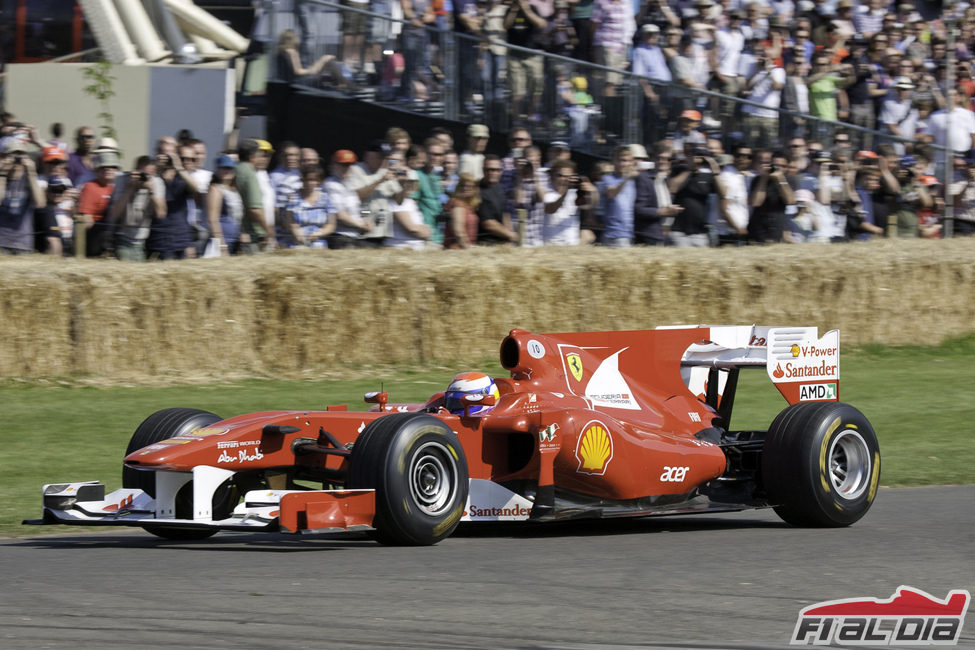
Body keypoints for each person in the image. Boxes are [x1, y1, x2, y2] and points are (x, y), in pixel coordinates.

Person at [109, 155, 167, 262]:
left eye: (148, 175)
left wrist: (151, 191)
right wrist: (131, 187)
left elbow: (161, 213)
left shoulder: (156, 182)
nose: (144, 178)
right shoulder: (122, 180)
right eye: (142, 174)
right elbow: (115, 213)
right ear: (136, 170)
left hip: (141, 242)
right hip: (122, 238)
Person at [668, 146, 726, 247]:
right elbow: (673, 188)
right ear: (688, 156)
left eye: (702, 156)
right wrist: (690, 169)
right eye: (695, 155)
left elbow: (724, 194)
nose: (698, 158)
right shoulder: (679, 169)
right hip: (679, 231)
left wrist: (715, 172)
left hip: (700, 232)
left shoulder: (707, 176)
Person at [0, 139, 46, 254]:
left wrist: (31, 173)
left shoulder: (31, 179)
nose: (17, 159)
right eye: (12, 154)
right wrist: (2, 174)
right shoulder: (1, 176)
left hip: (23, 243)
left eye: (20, 154)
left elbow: (40, 203)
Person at [324, 149, 375, 248]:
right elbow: (340, 216)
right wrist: (361, 225)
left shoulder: (349, 184)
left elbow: (358, 209)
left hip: (353, 237)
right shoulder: (331, 185)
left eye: (349, 165)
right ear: (334, 166)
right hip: (339, 237)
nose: (347, 168)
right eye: (343, 165)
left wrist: (367, 219)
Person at [633, 145, 680, 246]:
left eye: (667, 159)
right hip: (648, 235)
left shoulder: (666, 178)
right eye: (659, 158)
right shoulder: (643, 178)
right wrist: (664, 212)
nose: (663, 161)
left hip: (662, 234)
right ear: (652, 159)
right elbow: (639, 209)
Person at [77, 150, 120, 257]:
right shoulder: (90, 187)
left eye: (112, 166)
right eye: (104, 166)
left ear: (117, 169)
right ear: (97, 170)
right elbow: (87, 219)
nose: (108, 169)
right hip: (97, 236)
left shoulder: (119, 187)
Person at [236, 139, 275, 253]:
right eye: (261, 155)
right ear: (253, 155)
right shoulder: (249, 173)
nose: (263, 158)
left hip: (247, 230)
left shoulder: (238, 169)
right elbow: (255, 209)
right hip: (253, 232)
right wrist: (269, 232)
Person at [543, 159, 595, 245]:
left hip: (571, 245)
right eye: (560, 175)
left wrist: (592, 191)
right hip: (550, 244)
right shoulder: (545, 192)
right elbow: (551, 209)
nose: (564, 179)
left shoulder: (575, 193)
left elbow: (590, 204)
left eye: (568, 177)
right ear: (551, 176)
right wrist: (566, 191)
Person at [285, 164, 336, 248]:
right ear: (302, 180)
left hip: (319, 242)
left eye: (313, 180)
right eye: (307, 180)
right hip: (298, 242)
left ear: (318, 181)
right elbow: (290, 222)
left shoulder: (326, 199)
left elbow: (331, 224)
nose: (309, 183)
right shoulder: (294, 198)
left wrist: (319, 234)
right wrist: (298, 234)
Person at [597, 145, 638, 246]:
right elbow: (612, 194)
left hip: (629, 234)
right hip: (614, 234)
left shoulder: (633, 181)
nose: (625, 164)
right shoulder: (607, 178)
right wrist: (626, 179)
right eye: (621, 160)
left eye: (628, 161)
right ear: (614, 161)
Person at [205, 155, 245, 255]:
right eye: (223, 168)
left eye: (229, 168)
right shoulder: (215, 189)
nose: (227, 171)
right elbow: (212, 220)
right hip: (224, 242)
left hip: (235, 241)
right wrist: (222, 246)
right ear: (217, 170)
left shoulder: (234, 190)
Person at [477, 154, 519, 245]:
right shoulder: (478, 191)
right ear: (483, 170)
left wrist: (509, 238)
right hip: (485, 244)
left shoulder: (498, 187)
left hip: (501, 243)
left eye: (497, 170)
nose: (493, 173)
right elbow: (488, 223)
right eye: (489, 170)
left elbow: (504, 214)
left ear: (501, 171)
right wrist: (511, 235)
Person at [385, 169, 431, 249]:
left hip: (411, 248)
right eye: (405, 183)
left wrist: (424, 230)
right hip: (401, 247)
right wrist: (426, 232)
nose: (409, 186)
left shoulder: (409, 201)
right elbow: (411, 228)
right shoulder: (397, 201)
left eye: (412, 183)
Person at [443, 173, 481, 249]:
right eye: (462, 185)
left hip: (466, 248)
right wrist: (469, 249)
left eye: (470, 186)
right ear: (458, 187)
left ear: (474, 189)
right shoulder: (457, 204)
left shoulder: (469, 205)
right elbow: (458, 232)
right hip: (458, 250)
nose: (465, 188)